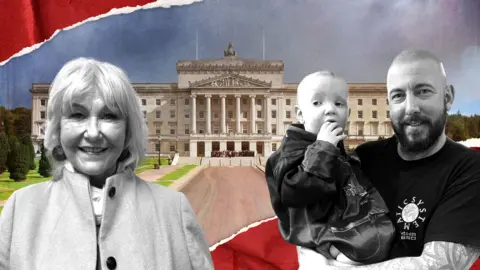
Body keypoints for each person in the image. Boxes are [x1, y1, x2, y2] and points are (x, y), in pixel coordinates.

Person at [0, 58, 214, 270]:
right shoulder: (21, 209)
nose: (93, 133)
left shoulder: (174, 209)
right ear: (57, 127)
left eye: (109, 116)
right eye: (77, 115)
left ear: (128, 129)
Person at [298, 50, 480, 269]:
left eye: (423, 91)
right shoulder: (363, 159)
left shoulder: (470, 170)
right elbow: (309, 212)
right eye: (398, 96)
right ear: (389, 104)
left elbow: (439, 265)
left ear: (448, 97)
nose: (411, 108)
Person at [265, 71, 395, 265]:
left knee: (387, 237)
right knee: (368, 249)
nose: (330, 110)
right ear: (300, 114)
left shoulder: (333, 143)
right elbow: (294, 193)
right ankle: (330, 251)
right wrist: (324, 148)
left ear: (348, 114)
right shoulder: (291, 150)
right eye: (317, 103)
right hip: (313, 228)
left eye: (339, 103)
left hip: (340, 221)